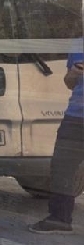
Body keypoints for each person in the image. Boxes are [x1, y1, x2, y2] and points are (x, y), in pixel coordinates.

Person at [32, 49, 84, 233]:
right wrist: (73, 74)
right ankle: (60, 219)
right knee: (61, 166)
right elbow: (69, 83)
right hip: (75, 116)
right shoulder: (79, 44)